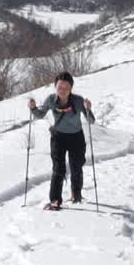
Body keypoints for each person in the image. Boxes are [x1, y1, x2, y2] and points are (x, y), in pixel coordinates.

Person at [28, 71, 94, 210]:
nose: (62, 91)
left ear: (71, 88)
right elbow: (40, 115)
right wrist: (33, 108)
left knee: (76, 166)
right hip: (58, 137)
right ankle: (55, 200)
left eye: (66, 88)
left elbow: (91, 120)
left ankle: (76, 194)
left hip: (76, 137)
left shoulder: (77, 100)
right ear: (55, 87)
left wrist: (88, 109)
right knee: (58, 168)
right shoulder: (51, 100)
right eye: (59, 87)